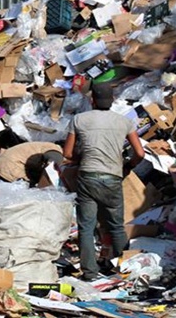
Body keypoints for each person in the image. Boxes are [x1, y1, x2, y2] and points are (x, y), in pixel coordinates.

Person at [63, 83, 145, 281]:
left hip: (88, 177)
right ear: (113, 100)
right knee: (116, 225)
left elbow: (66, 153)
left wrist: (80, 159)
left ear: (92, 100)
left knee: (87, 227)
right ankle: (123, 270)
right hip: (113, 177)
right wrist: (127, 166)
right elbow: (140, 153)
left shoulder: (79, 119)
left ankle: (90, 273)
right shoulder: (124, 121)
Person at [0, 141, 64, 187]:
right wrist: (41, 193)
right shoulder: (56, 151)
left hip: (0, 166)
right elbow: (51, 168)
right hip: (11, 169)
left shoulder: (45, 145)